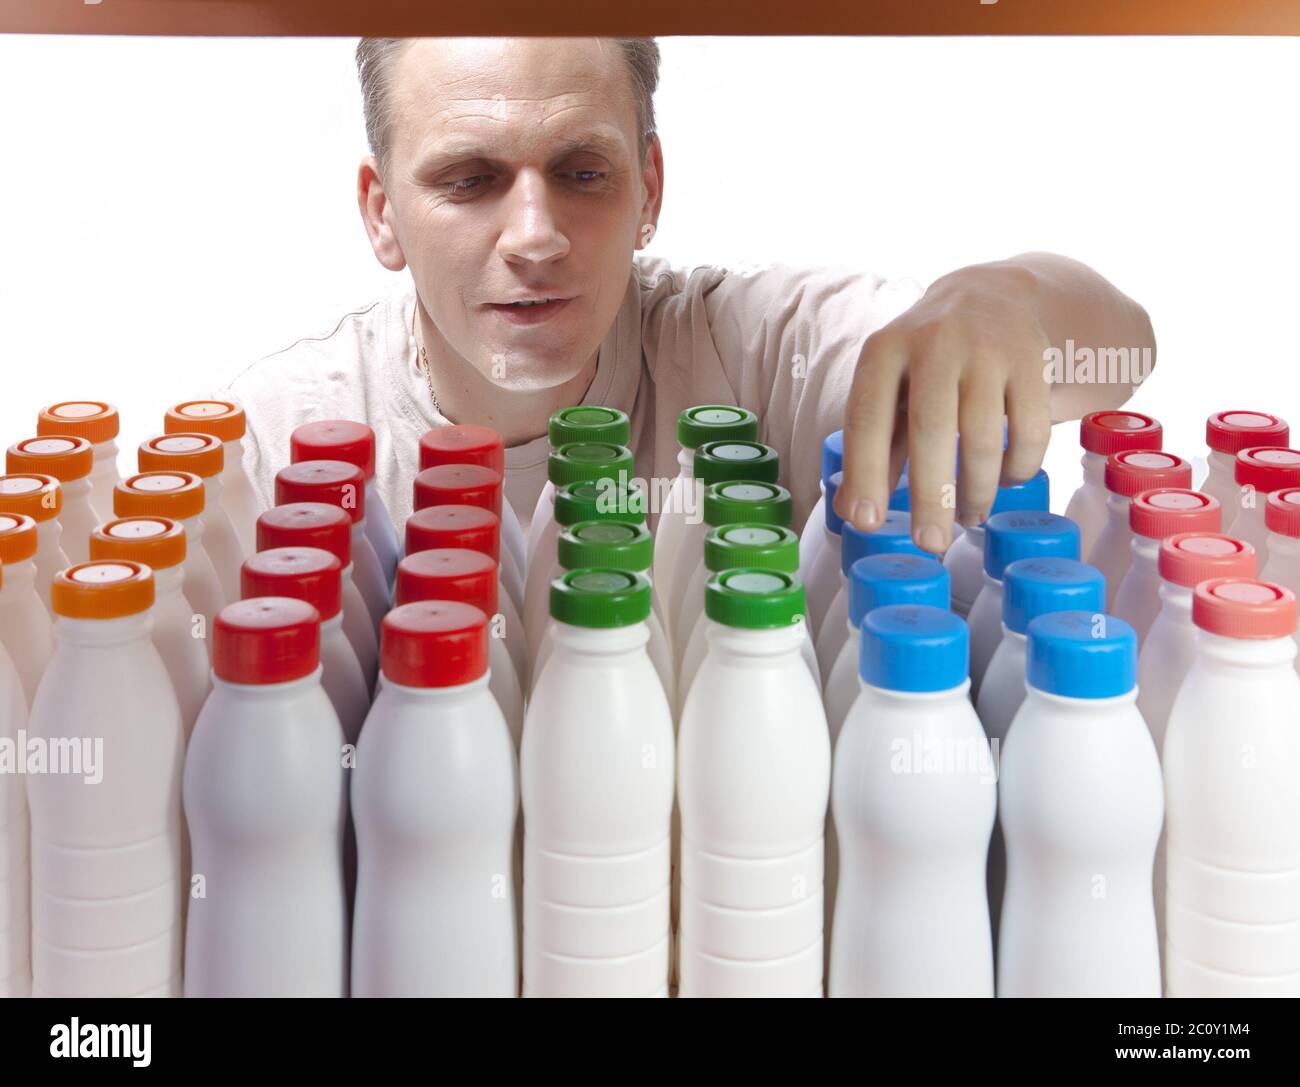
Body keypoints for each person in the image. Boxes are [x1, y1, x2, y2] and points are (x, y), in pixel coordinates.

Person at [215, 36, 1154, 553]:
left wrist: (1005, 301)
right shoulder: (278, 440)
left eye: (584, 172)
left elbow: (1123, 350)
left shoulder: (748, 351)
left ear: (649, 191)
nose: (535, 235)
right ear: (381, 214)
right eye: (469, 180)